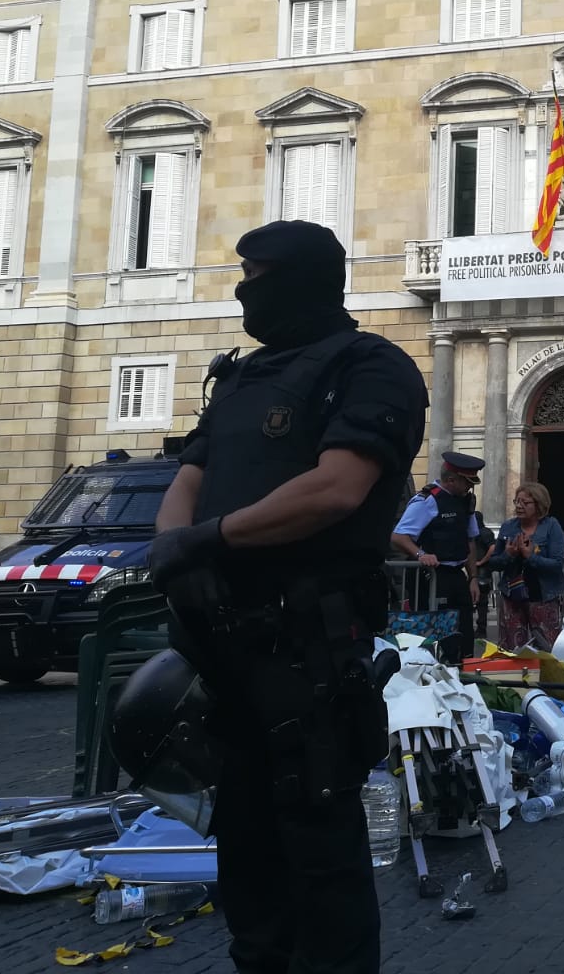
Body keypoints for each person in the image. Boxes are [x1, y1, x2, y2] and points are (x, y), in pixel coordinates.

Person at [147, 220, 427, 974]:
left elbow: (337, 489)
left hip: (309, 653)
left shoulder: (370, 366)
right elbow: (189, 479)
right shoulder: (241, 378)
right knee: (243, 851)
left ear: (307, 278)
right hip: (223, 652)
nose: (246, 288)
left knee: (319, 856)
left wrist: (210, 541)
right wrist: (175, 552)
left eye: (261, 273)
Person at [389, 451, 483, 662]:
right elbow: (398, 536)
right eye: (467, 482)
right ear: (451, 479)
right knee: (436, 633)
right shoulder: (427, 500)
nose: (471, 487)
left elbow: (469, 540)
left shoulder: (465, 501)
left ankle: (463, 669)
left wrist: (473, 577)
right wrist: (421, 554)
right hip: (431, 576)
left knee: (465, 628)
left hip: (456, 575)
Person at [486, 482, 564, 651]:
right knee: (512, 647)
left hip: (543, 596)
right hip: (512, 597)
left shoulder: (551, 526)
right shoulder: (508, 526)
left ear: (539, 504)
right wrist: (508, 555)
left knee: (547, 646)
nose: (519, 506)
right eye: (517, 501)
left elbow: (556, 564)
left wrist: (531, 557)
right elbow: (493, 563)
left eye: (525, 503)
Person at [470, 510, 493, 643]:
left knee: (481, 602)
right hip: (479, 571)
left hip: (482, 572)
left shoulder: (483, 533)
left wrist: (481, 561)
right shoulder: (482, 532)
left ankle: (481, 628)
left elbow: (492, 548)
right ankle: (480, 628)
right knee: (480, 603)